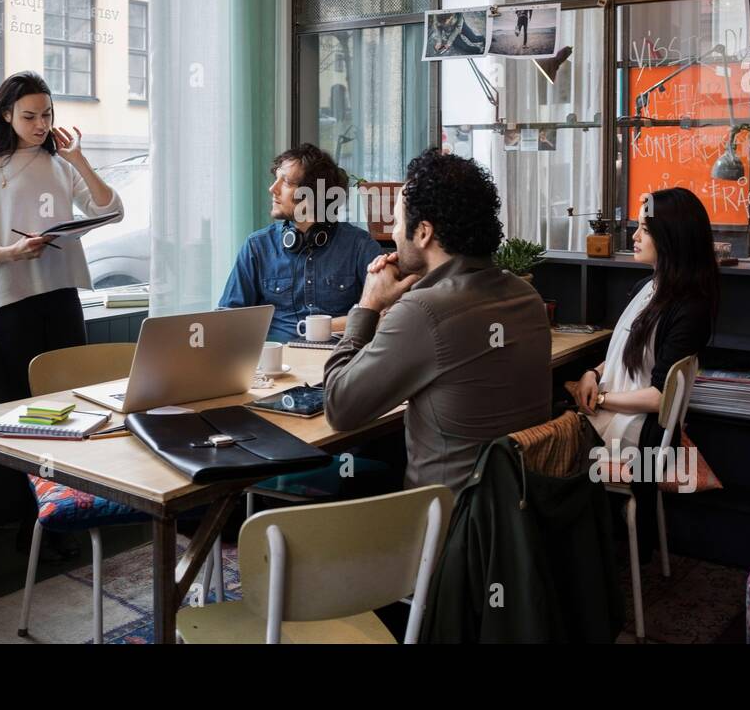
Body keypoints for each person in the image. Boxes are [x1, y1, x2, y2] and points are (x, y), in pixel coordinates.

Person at [322, 149, 552, 491]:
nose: (394, 234)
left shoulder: (425, 311)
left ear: (424, 232)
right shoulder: (525, 295)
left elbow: (339, 408)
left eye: (398, 222)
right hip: (514, 516)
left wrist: (368, 305)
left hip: (447, 525)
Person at [0, 71, 124, 398]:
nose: (41, 125)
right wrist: (12, 252)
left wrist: (79, 160)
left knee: (75, 397)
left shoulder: (60, 163)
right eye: (29, 116)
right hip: (11, 301)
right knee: (29, 402)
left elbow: (111, 211)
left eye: (46, 115)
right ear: (6, 115)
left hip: (62, 295)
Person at [568, 186, 719, 452]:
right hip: (615, 415)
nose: (635, 236)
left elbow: (660, 398)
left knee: (539, 434)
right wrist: (592, 374)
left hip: (635, 431)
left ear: (673, 237)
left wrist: (601, 398)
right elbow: (627, 353)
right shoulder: (646, 287)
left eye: (645, 230)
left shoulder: (690, 308)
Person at [219, 143, 380, 342]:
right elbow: (226, 320)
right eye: (275, 179)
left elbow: (388, 314)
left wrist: (322, 327)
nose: (272, 189)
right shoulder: (257, 247)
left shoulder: (359, 246)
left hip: (339, 362)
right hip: (278, 363)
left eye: (285, 182)